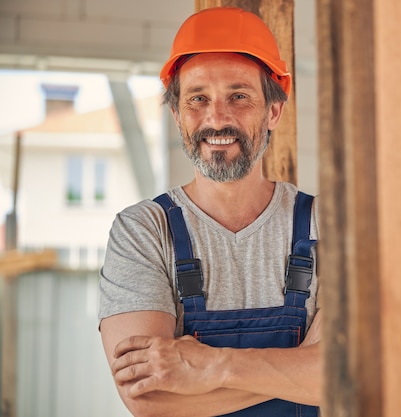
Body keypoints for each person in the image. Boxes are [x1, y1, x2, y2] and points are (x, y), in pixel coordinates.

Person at [98, 7, 321, 417]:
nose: (217, 118)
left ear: (273, 111)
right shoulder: (143, 232)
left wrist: (213, 366)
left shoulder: (327, 226)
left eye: (239, 96)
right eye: (198, 99)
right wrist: (303, 370)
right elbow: (148, 400)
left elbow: (349, 369)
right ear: (177, 114)